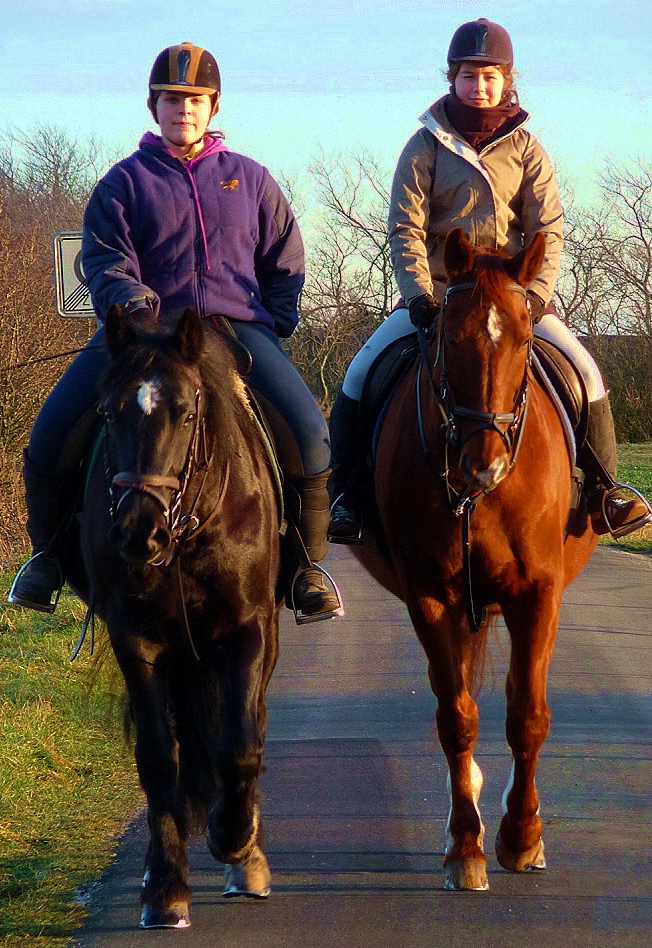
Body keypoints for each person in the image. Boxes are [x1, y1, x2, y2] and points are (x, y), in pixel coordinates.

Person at [9, 41, 342, 622]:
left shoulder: (252, 180)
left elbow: (286, 257)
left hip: (233, 331)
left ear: (212, 107)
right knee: (50, 432)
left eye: (193, 99)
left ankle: (307, 568)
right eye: (170, 99)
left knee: (311, 434)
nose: (182, 109)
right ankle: (49, 561)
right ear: (153, 106)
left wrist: (277, 317)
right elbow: (105, 258)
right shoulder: (124, 182)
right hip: (142, 335)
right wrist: (133, 303)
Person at [328, 17, 652, 543]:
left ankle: (604, 490)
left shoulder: (527, 148)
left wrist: (537, 294)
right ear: (451, 79)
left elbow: (548, 226)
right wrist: (417, 298)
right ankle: (347, 495)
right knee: (359, 373)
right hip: (439, 295)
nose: (479, 86)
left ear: (507, 80)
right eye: (468, 76)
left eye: (490, 76)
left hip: (513, 298)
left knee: (586, 372)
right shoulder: (424, 145)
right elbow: (405, 227)